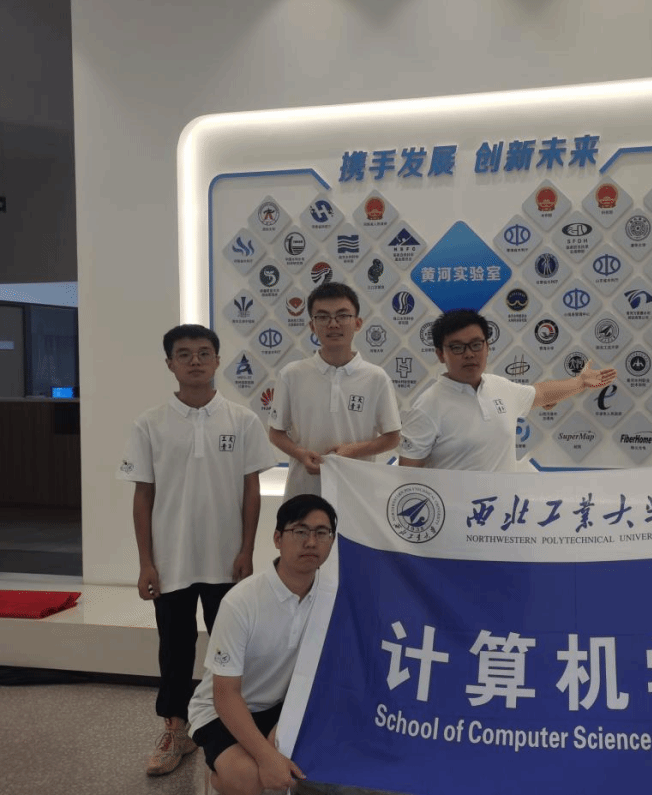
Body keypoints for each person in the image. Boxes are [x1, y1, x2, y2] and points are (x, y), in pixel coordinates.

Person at [116, 324, 278, 776]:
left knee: (233, 648)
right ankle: (175, 729)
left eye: (204, 353)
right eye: (184, 354)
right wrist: (146, 562)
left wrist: (247, 550)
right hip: (172, 561)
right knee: (175, 646)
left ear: (217, 360)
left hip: (227, 560)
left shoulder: (242, 420)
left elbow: (251, 491)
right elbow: (143, 495)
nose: (194, 361)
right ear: (170, 363)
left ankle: (235, 727)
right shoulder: (150, 423)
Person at [188, 494, 337, 795]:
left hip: (283, 705)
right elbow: (225, 695)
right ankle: (215, 780)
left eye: (322, 533)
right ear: (278, 539)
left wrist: (282, 727)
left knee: (317, 767)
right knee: (251, 779)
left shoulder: (332, 597)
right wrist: (267, 756)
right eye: (300, 531)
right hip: (222, 709)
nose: (311, 542)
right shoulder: (241, 602)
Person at [398, 308, 617, 471]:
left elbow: (541, 393)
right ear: (440, 354)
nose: (469, 354)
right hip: (456, 515)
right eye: (457, 347)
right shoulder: (427, 405)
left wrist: (580, 382)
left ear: (487, 347)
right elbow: (408, 474)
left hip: (504, 513)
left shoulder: (500, 386)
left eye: (476, 344)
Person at [269, 281, 401, 498]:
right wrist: (300, 454)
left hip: (357, 494)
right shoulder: (291, 374)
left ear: (357, 323)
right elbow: (276, 432)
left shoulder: (376, 378)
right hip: (305, 491)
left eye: (342, 315)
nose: (333, 324)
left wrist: (354, 451)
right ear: (312, 326)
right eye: (322, 317)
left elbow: (392, 437)